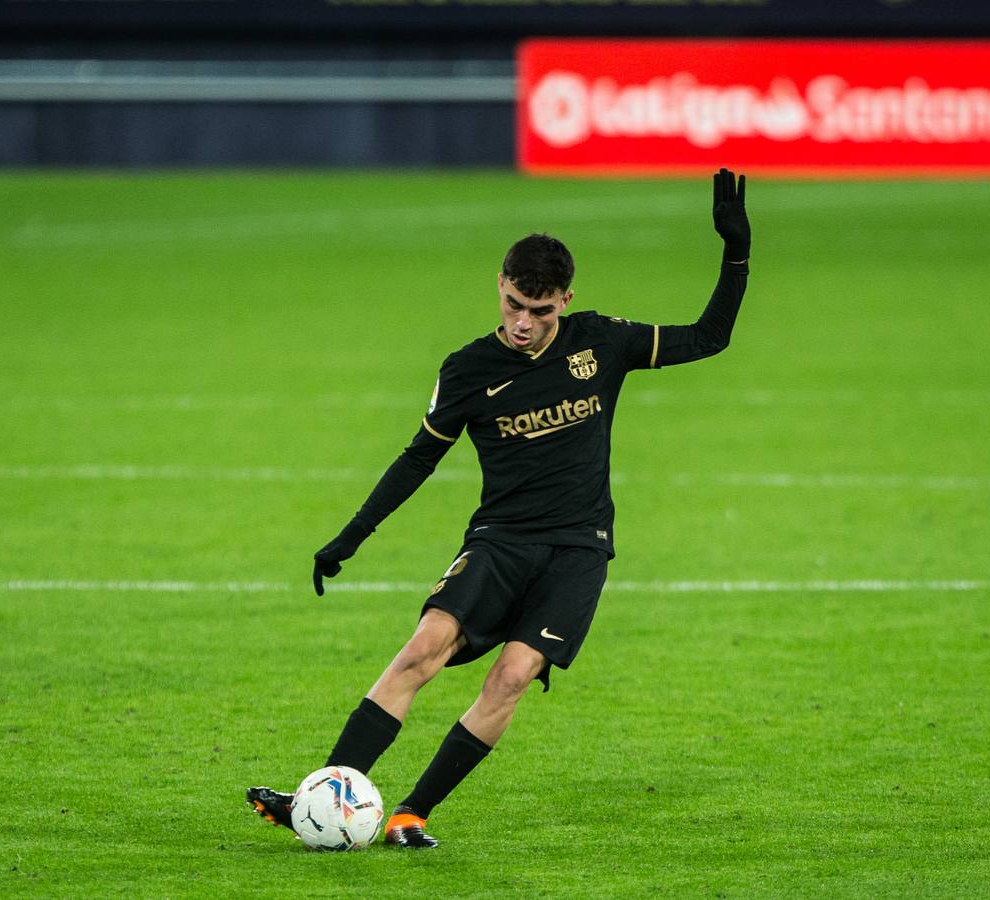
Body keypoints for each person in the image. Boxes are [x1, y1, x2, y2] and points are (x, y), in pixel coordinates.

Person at [247, 168, 750, 849]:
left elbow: (709, 337)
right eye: (515, 304)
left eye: (541, 311)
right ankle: (321, 795)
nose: (524, 323)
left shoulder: (601, 342)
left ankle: (410, 813)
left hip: (577, 548)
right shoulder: (468, 369)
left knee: (512, 676)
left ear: (566, 300)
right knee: (421, 653)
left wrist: (736, 253)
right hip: (501, 540)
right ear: (501, 287)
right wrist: (351, 536)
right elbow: (418, 457)